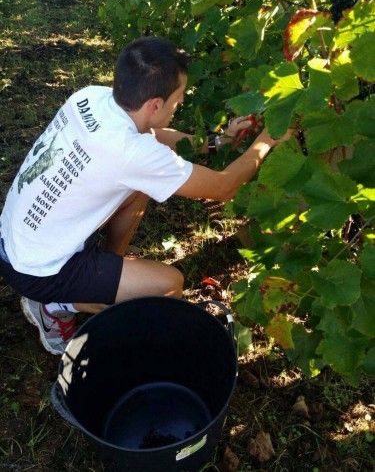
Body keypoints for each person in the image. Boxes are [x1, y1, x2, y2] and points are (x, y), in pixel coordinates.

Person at [0, 36, 291, 355]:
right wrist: (269, 137)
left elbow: (153, 134)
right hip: (37, 270)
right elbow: (225, 187)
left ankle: (101, 277)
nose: (179, 105)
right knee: (168, 285)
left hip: (16, 239)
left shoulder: (91, 98)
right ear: (155, 104)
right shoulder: (130, 153)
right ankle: (54, 306)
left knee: (138, 190)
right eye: (178, 99)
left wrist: (217, 141)